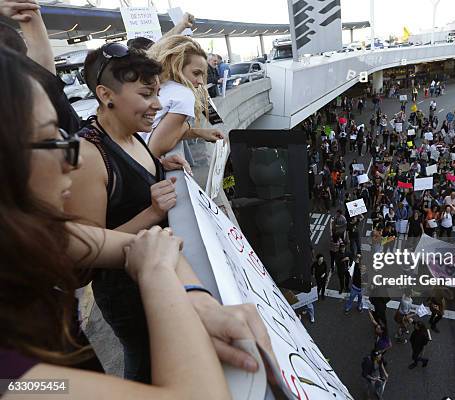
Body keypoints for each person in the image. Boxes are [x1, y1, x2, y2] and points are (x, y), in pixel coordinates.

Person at [0, 46, 263, 398]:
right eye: (50, 139)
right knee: (141, 364)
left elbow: (140, 246)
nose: (68, 158)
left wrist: (198, 299)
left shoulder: (32, 242)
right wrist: (160, 275)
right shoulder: (16, 376)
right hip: (127, 298)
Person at [64, 44, 192, 382]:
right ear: (106, 95)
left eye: (158, 92)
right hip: (129, 297)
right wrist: (151, 213)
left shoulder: (133, 136)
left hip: (155, 278)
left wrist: (161, 168)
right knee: (146, 365)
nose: (158, 105)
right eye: (146, 93)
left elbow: (132, 181)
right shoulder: (89, 155)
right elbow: (87, 254)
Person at [144, 35, 224, 157]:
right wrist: (185, 125)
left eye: (202, 75)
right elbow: (155, 148)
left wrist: (198, 132)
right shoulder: (184, 94)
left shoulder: (160, 87)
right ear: (176, 66)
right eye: (196, 73)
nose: (201, 81)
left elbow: (166, 132)